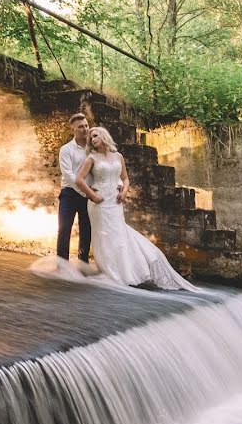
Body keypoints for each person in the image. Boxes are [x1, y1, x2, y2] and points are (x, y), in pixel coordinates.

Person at [75, 127, 199, 292]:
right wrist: (92, 196)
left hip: (116, 201)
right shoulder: (91, 158)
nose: (92, 139)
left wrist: (125, 192)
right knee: (104, 237)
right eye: (91, 138)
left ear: (104, 136)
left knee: (119, 236)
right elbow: (79, 180)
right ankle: (112, 274)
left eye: (95, 135)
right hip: (99, 203)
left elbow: (125, 179)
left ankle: (129, 272)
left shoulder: (118, 156)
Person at [57, 113, 92, 262]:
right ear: (73, 129)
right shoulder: (66, 150)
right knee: (64, 228)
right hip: (69, 194)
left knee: (86, 229)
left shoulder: (94, 147)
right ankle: (62, 264)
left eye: (86, 126)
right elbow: (69, 176)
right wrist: (85, 192)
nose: (85, 129)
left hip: (88, 193)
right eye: (80, 127)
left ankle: (83, 263)